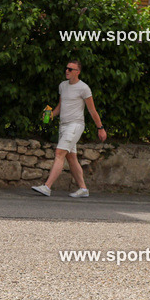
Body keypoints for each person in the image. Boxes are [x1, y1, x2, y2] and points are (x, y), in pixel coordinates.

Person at [31, 59, 107, 198]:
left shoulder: (84, 88)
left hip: (75, 125)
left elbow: (92, 110)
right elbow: (60, 106)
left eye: (70, 69)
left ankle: (47, 187)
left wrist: (100, 128)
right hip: (64, 125)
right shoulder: (63, 86)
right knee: (71, 158)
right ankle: (83, 189)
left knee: (59, 153)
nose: (67, 71)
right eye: (66, 68)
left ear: (77, 72)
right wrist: (49, 116)